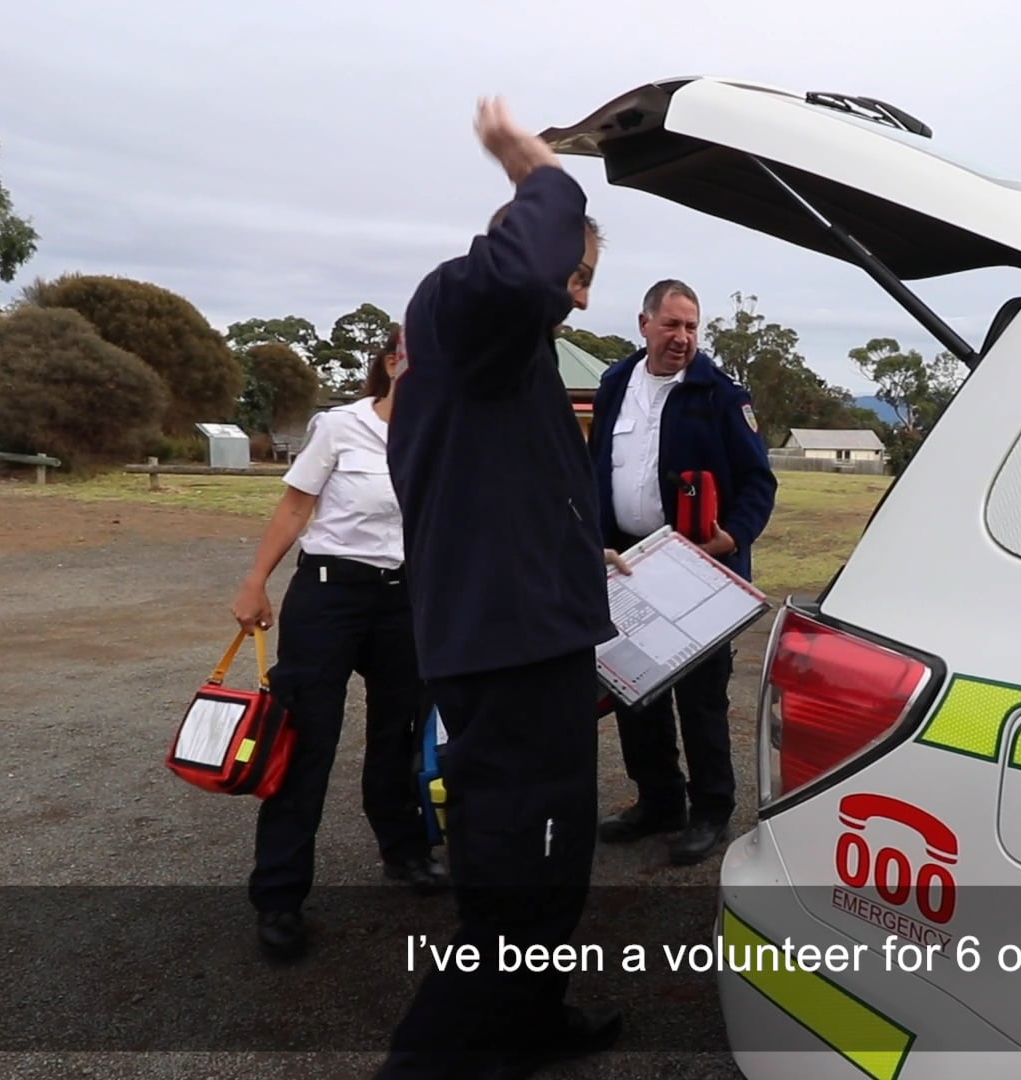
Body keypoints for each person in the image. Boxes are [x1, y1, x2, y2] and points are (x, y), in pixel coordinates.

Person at [375, 97, 629, 1079]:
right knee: (513, 885)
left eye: (586, 281)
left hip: (536, 646)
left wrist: (582, 559)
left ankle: (533, 1019)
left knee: (554, 865)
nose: (573, 297)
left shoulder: (497, 365)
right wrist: (538, 168)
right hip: (509, 660)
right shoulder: (455, 313)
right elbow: (524, 270)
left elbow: (519, 500)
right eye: (574, 273)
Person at [230, 325, 447, 962]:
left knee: (400, 734)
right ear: (391, 364)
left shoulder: (441, 437)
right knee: (305, 741)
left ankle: (404, 852)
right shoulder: (341, 426)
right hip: (330, 595)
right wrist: (255, 581)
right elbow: (295, 508)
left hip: (406, 601)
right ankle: (279, 896)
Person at [589, 278, 778, 866]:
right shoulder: (615, 383)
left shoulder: (719, 393)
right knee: (635, 691)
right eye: (672, 325)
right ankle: (659, 801)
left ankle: (711, 810)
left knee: (700, 698)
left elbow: (758, 483)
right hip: (626, 562)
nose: (683, 337)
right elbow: (598, 467)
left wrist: (733, 536)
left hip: (699, 567)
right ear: (644, 324)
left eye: (692, 326)